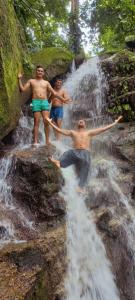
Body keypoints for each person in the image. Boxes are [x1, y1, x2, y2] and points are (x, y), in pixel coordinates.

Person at [46, 116, 122, 192]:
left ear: (85, 125)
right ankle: (59, 163)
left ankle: (80, 187)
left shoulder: (89, 133)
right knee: (67, 153)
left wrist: (115, 122)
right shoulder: (73, 132)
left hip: (85, 152)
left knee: (85, 168)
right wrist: (50, 122)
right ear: (77, 125)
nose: (81, 121)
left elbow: (103, 129)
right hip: (75, 152)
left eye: (82, 121)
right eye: (79, 121)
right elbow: (59, 130)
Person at [18, 65, 69, 145]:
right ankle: (35, 141)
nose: (40, 72)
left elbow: (54, 93)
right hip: (35, 102)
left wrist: (63, 99)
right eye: (38, 70)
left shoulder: (46, 83)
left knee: (46, 122)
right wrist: (19, 79)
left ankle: (47, 141)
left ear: (43, 73)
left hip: (45, 102)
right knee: (36, 121)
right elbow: (23, 89)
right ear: (36, 71)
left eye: (41, 71)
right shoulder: (31, 81)